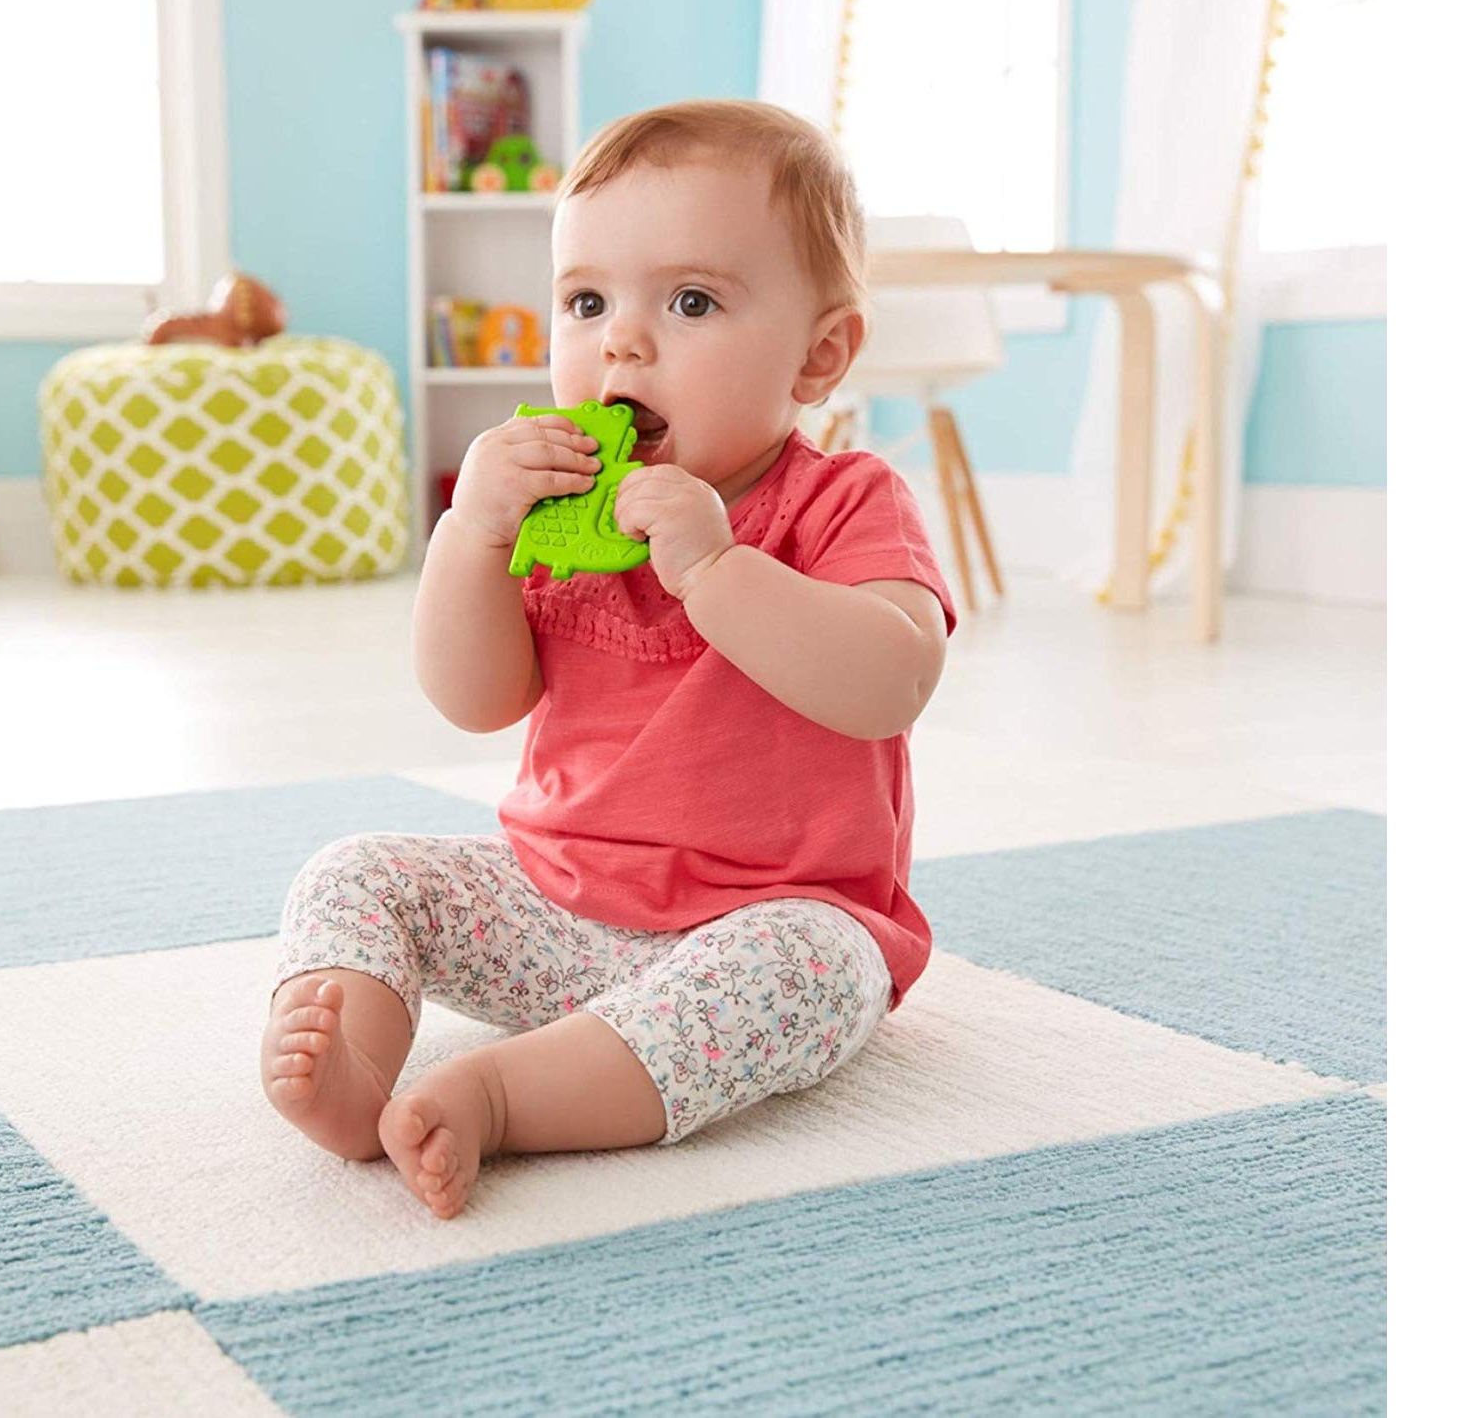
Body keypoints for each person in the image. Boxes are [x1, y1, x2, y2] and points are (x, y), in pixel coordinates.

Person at [260, 100, 958, 1219]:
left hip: (762, 922)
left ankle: (506, 1095)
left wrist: (714, 569)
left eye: (691, 302)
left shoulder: (845, 501)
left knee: (821, 971)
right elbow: (475, 699)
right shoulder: (558, 511)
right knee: (358, 869)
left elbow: (891, 683)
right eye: (586, 303)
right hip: (553, 905)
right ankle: (354, 1062)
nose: (621, 344)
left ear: (818, 355)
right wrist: (470, 535)